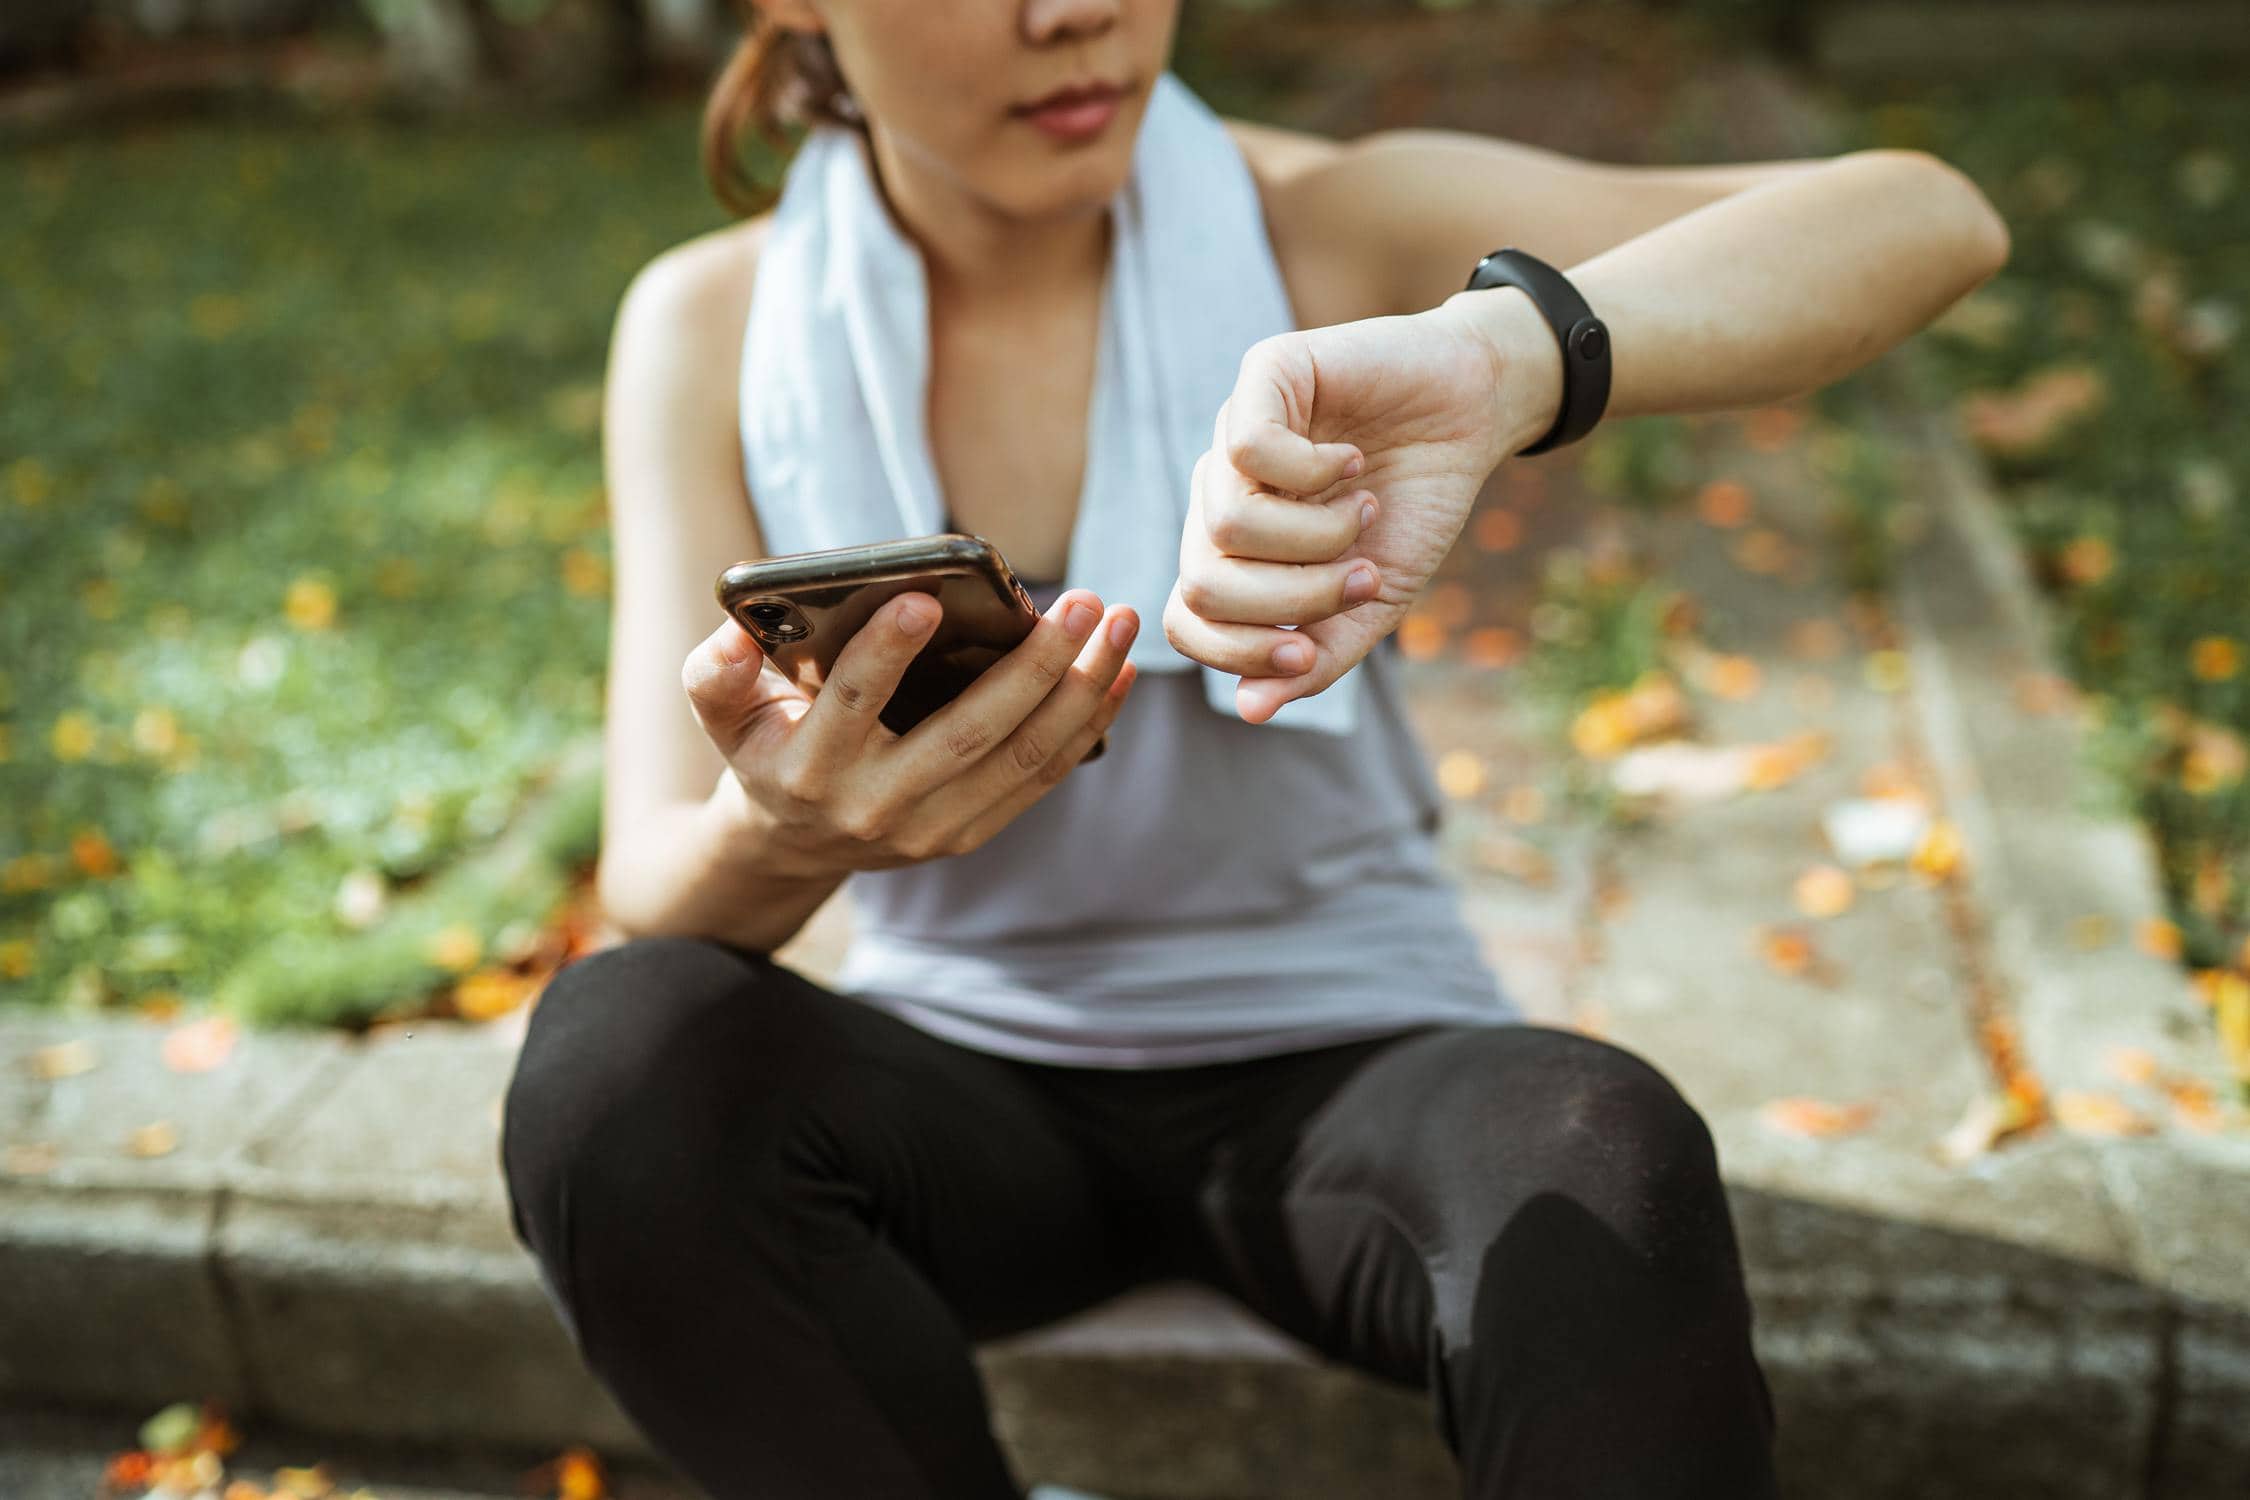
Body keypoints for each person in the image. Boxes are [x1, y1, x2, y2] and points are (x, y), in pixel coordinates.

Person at [498, 2, 2011, 1497]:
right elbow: (655, 883)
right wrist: (793, 833)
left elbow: (1919, 219)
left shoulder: (1330, 226)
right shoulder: (710, 326)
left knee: (1601, 1150)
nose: (1074, 12)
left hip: (1352, 1066)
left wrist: (1506, 354)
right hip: (961, 1093)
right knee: (614, 1063)